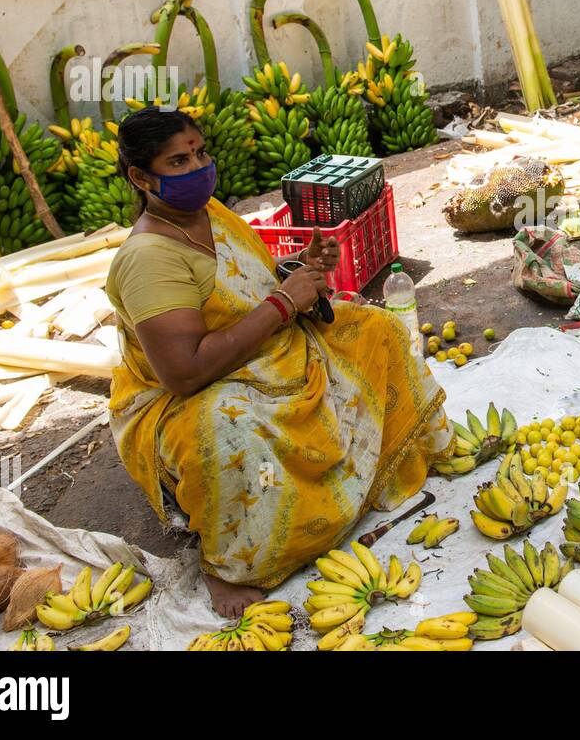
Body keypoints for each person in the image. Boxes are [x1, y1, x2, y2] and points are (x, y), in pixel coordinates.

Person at [105, 107, 451, 617]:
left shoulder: (208, 213)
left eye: (201, 152)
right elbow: (183, 373)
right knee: (227, 432)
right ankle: (230, 565)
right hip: (199, 391)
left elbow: (244, 290)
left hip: (269, 347)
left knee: (377, 330)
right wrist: (285, 303)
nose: (198, 166)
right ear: (140, 177)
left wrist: (300, 274)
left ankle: (382, 466)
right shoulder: (149, 261)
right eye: (178, 161)